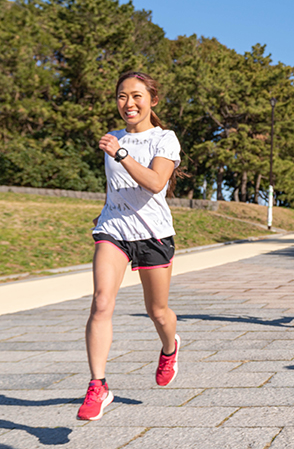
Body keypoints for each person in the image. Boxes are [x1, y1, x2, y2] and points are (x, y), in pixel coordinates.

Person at [78, 71, 182, 421]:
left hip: (153, 234)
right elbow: (118, 187)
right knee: (101, 302)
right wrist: (104, 213)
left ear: (153, 99)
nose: (129, 103)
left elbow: (155, 183)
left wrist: (121, 153)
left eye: (136, 96)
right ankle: (98, 385)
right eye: (122, 96)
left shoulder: (164, 139)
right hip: (114, 231)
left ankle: (169, 348)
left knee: (159, 312)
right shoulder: (114, 139)